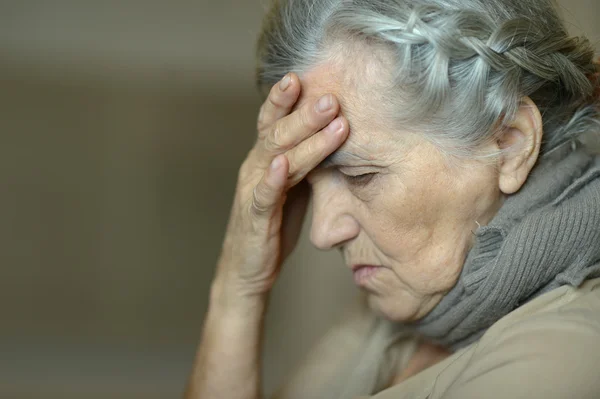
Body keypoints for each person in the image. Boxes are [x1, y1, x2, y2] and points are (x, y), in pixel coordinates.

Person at [185, 1, 600, 398]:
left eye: (360, 175)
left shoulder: (560, 360)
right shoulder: (401, 309)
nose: (322, 232)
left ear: (510, 144)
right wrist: (239, 289)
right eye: (308, 182)